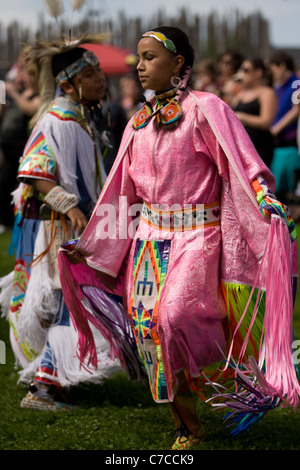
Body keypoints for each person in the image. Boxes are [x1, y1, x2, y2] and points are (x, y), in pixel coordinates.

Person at [58, 27, 299, 449]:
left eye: (149, 57)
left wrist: (263, 195)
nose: (140, 65)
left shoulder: (207, 109)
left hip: (197, 236)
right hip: (149, 240)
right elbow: (119, 188)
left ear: (179, 65)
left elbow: (239, 161)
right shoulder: (139, 122)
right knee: (150, 329)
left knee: (177, 317)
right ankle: (187, 425)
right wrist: (93, 242)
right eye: (139, 57)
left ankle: (233, 377)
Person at [0, 40, 122, 410]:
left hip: (79, 228)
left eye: (99, 71)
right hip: (60, 230)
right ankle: (45, 386)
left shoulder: (81, 118)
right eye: (89, 74)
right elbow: (34, 170)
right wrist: (69, 207)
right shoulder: (56, 119)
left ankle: (53, 380)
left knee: (75, 303)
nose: (100, 79)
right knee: (75, 303)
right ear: (68, 84)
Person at [0, 51, 40, 231]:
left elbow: (31, 108)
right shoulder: (20, 91)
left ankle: (9, 222)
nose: (22, 75)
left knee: (10, 185)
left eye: (26, 71)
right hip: (7, 146)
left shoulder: (34, 94)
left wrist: (14, 93)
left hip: (21, 149)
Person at [232, 58, 277, 168]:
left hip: (259, 149)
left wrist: (242, 117)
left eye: (246, 70)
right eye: (241, 70)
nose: (242, 73)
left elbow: (266, 121)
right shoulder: (241, 93)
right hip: (240, 148)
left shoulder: (267, 93)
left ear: (258, 72)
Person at [269, 52, 300, 202]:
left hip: (290, 142)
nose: (272, 72)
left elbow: (296, 109)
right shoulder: (279, 86)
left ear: (282, 65)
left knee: (288, 187)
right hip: (279, 143)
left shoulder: (296, 83)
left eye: (273, 68)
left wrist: (276, 129)